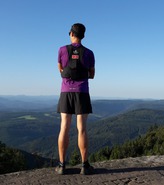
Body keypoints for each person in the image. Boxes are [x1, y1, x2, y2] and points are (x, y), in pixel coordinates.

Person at [56, 23, 95, 175]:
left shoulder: (61, 50)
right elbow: (91, 74)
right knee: (82, 129)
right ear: (83, 35)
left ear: (71, 33)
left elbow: (60, 70)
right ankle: (84, 165)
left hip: (66, 92)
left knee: (64, 127)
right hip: (82, 92)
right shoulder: (89, 53)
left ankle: (61, 165)